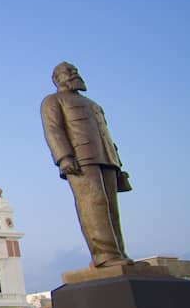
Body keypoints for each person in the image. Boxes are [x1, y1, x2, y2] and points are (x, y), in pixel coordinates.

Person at [41, 62, 133, 268]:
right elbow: (53, 130)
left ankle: (119, 253)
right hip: (80, 159)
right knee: (93, 203)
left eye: (75, 71)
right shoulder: (53, 101)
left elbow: (105, 135)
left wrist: (117, 163)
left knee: (111, 208)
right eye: (69, 71)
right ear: (57, 79)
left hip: (106, 159)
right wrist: (64, 157)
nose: (74, 74)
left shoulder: (93, 104)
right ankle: (104, 255)